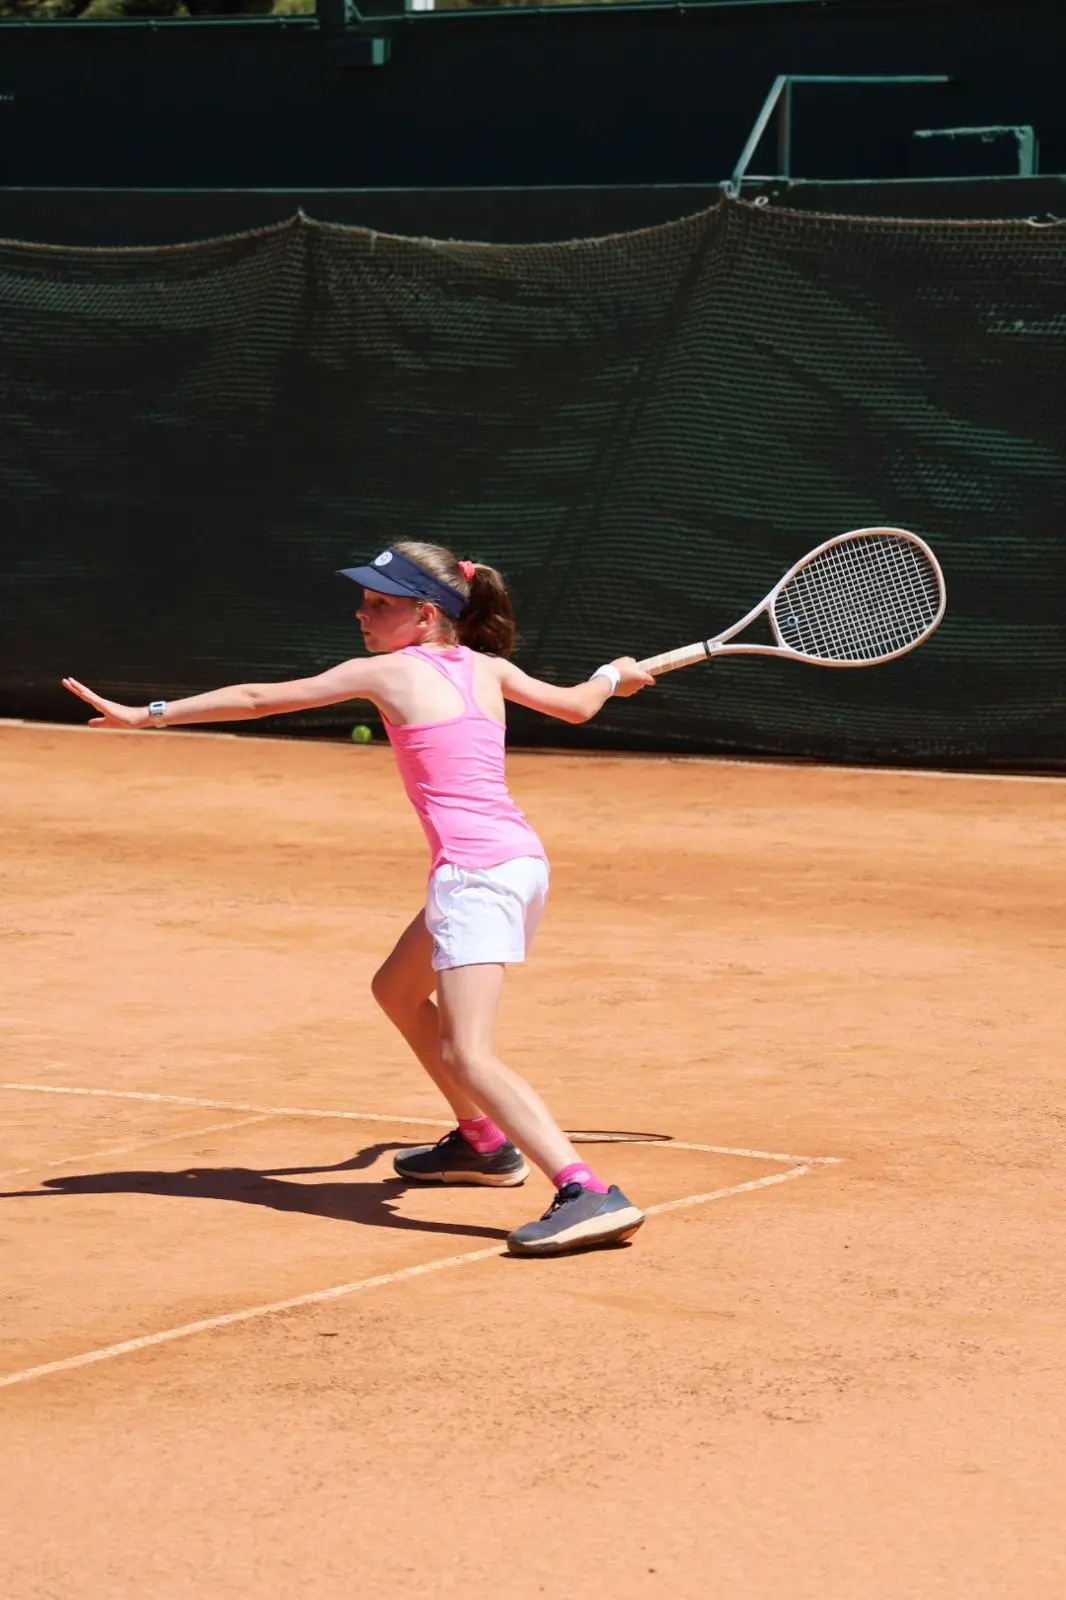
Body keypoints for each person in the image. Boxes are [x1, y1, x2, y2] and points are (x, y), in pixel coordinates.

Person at [62, 540, 655, 1257]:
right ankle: (482, 1143)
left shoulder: (387, 673)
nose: (362, 613)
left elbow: (257, 699)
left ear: (425, 615)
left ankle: (585, 1191)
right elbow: (579, 706)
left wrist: (147, 713)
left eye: (380, 603)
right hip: (517, 863)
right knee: (396, 990)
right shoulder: (488, 667)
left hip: (475, 876)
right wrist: (611, 675)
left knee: (468, 1052)